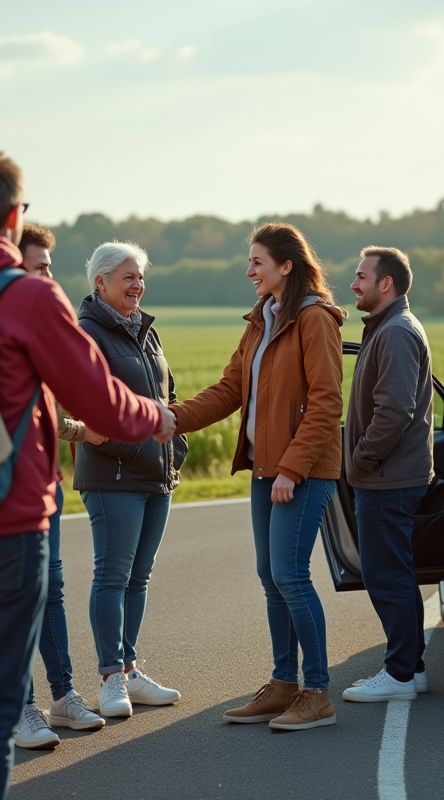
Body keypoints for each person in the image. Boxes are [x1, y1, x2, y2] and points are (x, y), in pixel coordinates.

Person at [0, 148, 176, 799]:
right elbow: (98, 398)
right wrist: (154, 415)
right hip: (8, 522)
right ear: (14, 215)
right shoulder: (28, 296)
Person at [170, 223, 344, 732]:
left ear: (286, 266)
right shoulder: (261, 321)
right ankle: (284, 683)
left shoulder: (314, 319)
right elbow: (229, 389)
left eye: (257, 262)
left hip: (302, 472)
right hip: (266, 469)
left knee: (290, 575)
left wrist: (292, 468)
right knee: (272, 577)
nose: (249, 271)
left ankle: (317, 692)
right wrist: (171, 418)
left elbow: (327, 402)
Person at [75, 241, 187, 718]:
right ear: (100, 283)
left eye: (140, 276)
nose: (138, 285)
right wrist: (139, 448)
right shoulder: (87, 334)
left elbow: (167, 394)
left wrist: (174, 446)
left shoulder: (146, 330)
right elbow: (86, 411)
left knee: (139, 578)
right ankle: (110, 679)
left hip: (156, 475)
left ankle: (129, 668)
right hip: (113, 476)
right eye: (128, 277)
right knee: (113, 576)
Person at [9, 223, 105, 749]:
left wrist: (79, 427)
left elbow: (46, 411)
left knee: (51, 589)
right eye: (40, 267)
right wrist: (85, 429)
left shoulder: (40, 327)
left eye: (50, 267)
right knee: (19, 596)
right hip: (6, 490)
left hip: (46, 484)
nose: (50, 276)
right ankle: (20, 707)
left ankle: (63, 696)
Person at [341, 247, 435, 703]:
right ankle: (411, 669)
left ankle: (398, 675)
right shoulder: (389, 327)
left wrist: (359, 461)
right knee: (395, 573)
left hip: (387, 477)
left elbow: (395, 411)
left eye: (361, 276)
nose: (354, 284)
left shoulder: (395, 332)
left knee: (386, 576)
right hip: (390, 474)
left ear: (386, 284)